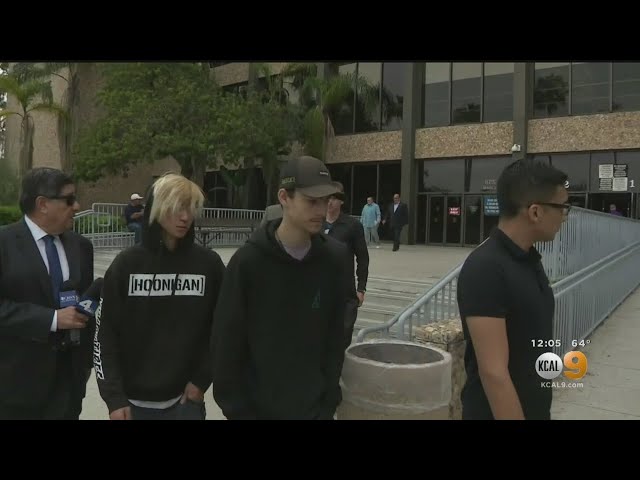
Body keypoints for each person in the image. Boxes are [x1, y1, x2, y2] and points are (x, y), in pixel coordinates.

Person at [211, 155, 349, 420]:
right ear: (284, 197)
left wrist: (327, 402)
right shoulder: (248, 263)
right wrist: (238, 411)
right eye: (311, 201)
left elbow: (335, 338)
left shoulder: (335, 259)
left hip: (314, 410)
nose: (321, 210)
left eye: (325, 200)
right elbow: (226, 344)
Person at [94, 173, 226, 420]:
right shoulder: (127, 265)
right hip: (131, 404)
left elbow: (223, 327)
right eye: (177, 208)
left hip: (185, 403)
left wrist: (202, 379)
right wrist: (113, 398)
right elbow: (105, 335)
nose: (185, 217)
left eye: (190, 208)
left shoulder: (209, 265)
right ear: (156, 208)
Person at [456, 159, 569, 420]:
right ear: (535, 212)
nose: (565, 216)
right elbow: (494, 373)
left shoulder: (529, 260)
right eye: (562, 207)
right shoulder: (486, 268)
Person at [0, 167, 94, 419]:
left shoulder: (81, 247)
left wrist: (85, 364)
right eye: (69, 199)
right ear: (42, 204)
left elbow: (86, 306)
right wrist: (52, 319)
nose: (77, 206)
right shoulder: (4, 244)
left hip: (68, 386)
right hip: (15, 387)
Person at [324, 181, 369, 349]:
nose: (330, 202)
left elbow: (362, 258)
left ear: (341, 200)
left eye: (334, 198)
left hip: (345, 292)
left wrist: (361, 288)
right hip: (320, 291)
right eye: (327, 197)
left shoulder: (352, 226)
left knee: (342, 336)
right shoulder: (315, 223)